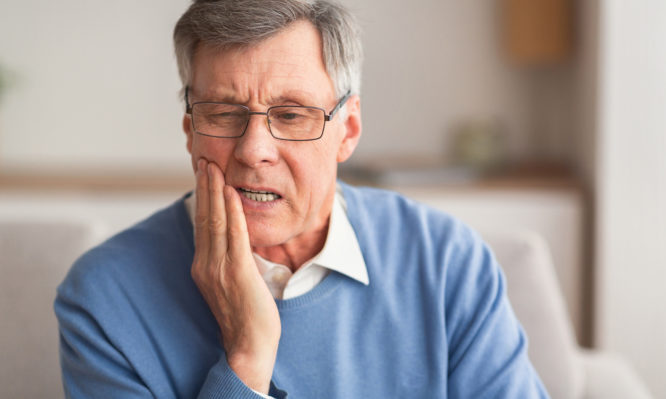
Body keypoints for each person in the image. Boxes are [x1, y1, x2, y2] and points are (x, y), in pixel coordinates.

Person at [55, 0, 549, 397]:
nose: (254, 152)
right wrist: (247, 359)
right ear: (190, 131)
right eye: (224, 114)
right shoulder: (103, 297)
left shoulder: (446, 263)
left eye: (291, 115)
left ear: (348, 130)